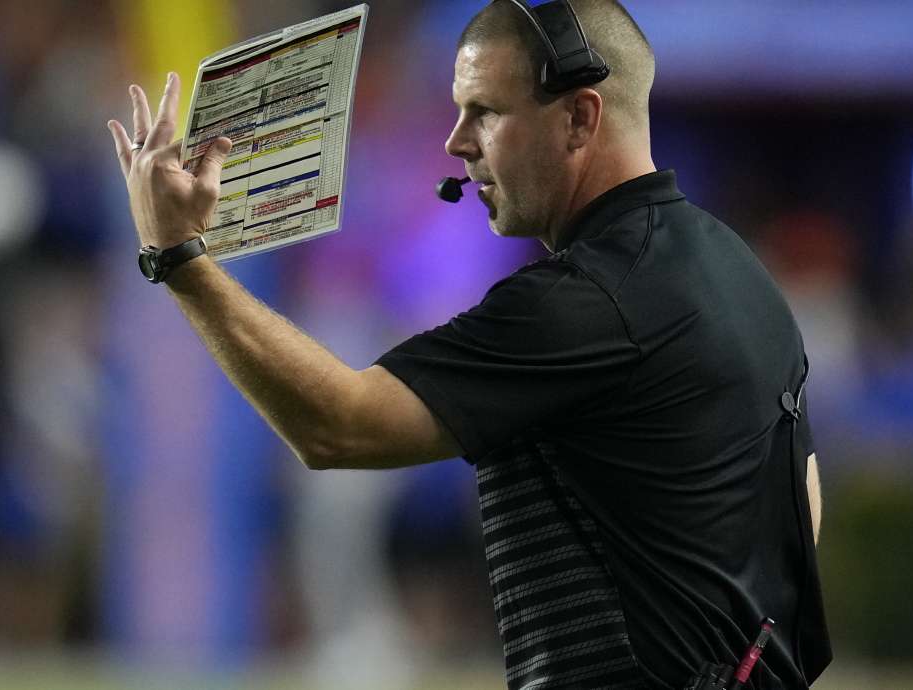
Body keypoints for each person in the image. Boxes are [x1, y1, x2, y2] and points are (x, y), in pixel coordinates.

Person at [106, 1, 831, 687]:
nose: (457, 142)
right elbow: (804, 504)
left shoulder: (587, 301)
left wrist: (179, 258)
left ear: (580, 118)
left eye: (485, 112)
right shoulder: (740, 276)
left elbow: (341, 428)